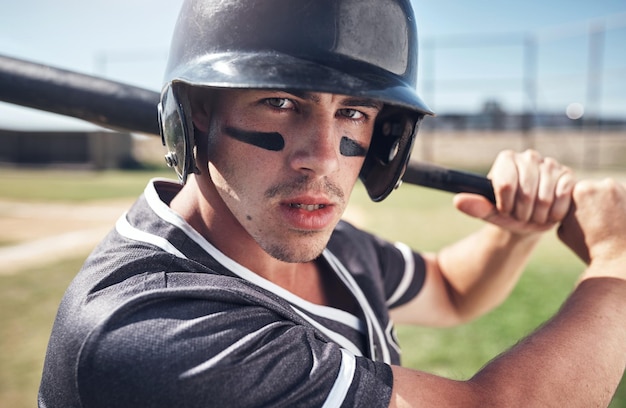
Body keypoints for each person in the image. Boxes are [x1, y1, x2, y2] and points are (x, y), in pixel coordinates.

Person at [38, 0, 626, 407]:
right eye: (278, 101)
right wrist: (617, 265)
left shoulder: (320, 236)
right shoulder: (153, 329)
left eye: (352, 111)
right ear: (199, 111)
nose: (321, 159)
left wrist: (515, 229)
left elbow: (451, 289)